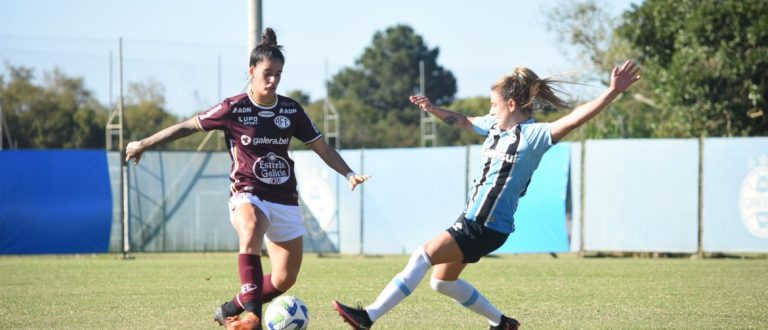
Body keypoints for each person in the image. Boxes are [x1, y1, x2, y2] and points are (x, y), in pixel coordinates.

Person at [332, 60, 640, 329]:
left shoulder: (533, 136)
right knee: (442, 282)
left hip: (485, 226)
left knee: (422, 255)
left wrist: (612, 91)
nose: (489, 109)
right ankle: (501, 323)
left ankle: (368, 317)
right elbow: (463, 121)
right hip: (476, 222)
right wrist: (432, 109)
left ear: (511, 105)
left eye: (493, 104)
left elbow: (576, 118)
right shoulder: (494, 126)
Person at [125, 27, 370, 330]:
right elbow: (188, 126)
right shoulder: (234, 107)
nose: (273, 79)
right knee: (251, 226)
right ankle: (253, 316)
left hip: (284, 198)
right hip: (247, 192)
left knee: (284, 279)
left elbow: (321, 147)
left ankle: (228, 309)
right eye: (268, 72)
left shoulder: (291, 109)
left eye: (279, 74)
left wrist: (348, 172)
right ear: (252, 71)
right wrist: (143, 144)